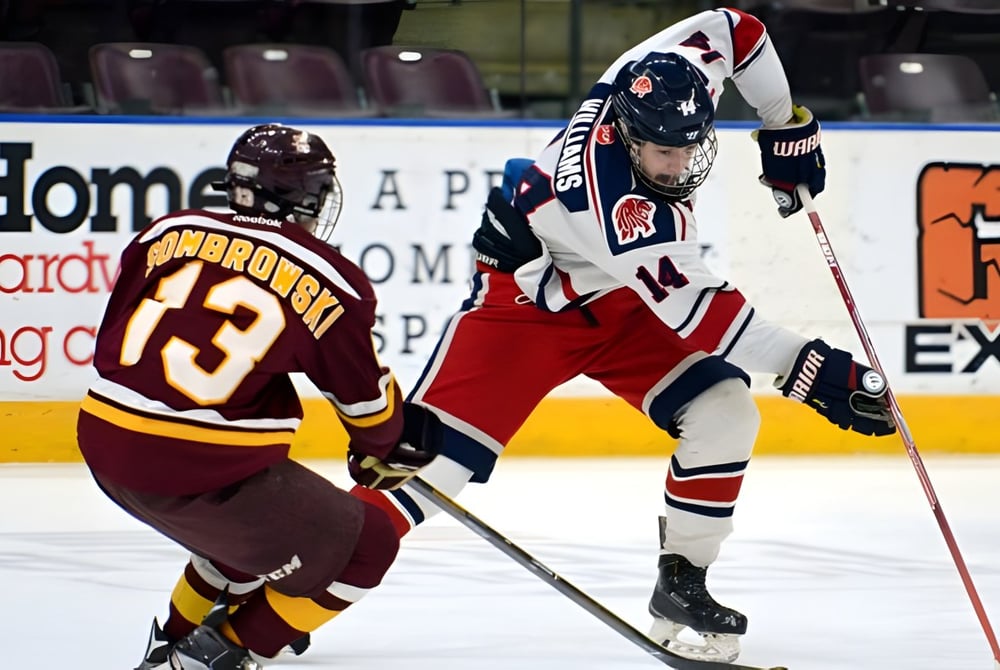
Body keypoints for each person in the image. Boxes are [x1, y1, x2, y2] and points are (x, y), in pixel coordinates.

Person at [345, 7, 895, 664]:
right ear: (629, 140)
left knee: (724, 413)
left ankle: (681, 582)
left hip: (623, 300)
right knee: (431, 466)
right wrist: (812, 370)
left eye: (691, 144)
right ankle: (296, 572)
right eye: (663, 152)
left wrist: (784, 125)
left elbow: (737, 27)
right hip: (527, 307)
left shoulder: (673, 75)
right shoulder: (612, 207)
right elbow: (712, 320)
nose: (679, 162)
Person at [76, 123, 435, 670]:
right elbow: (365, 407)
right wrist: (383, 446)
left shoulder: (165, 232)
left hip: (102, 444)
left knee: (254, 540)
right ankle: (218, 656)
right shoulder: (329, 277)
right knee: (370, 545)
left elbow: (120, 337)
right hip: (197, 466)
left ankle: (171, 639)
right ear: (304, 197)